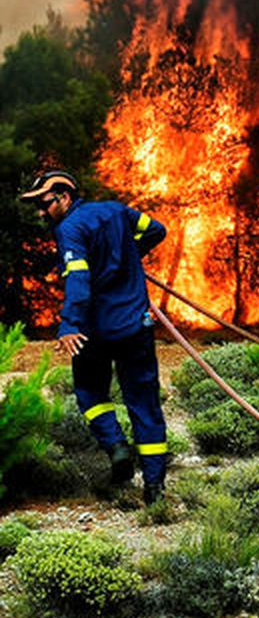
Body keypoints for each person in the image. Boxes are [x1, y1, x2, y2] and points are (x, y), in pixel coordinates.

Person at [20, 169, 170, 504]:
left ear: (65, 197)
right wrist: (130, 255)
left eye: (45, 204)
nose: (41, 213)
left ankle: (116, 447)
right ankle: (155, 488)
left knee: (89, 392)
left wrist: (69, 324)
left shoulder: (69, 228)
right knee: (144, 403)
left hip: (95, 332)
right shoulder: (118, 211)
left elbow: (78, 280)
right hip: (136, 327)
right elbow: (157, 230)